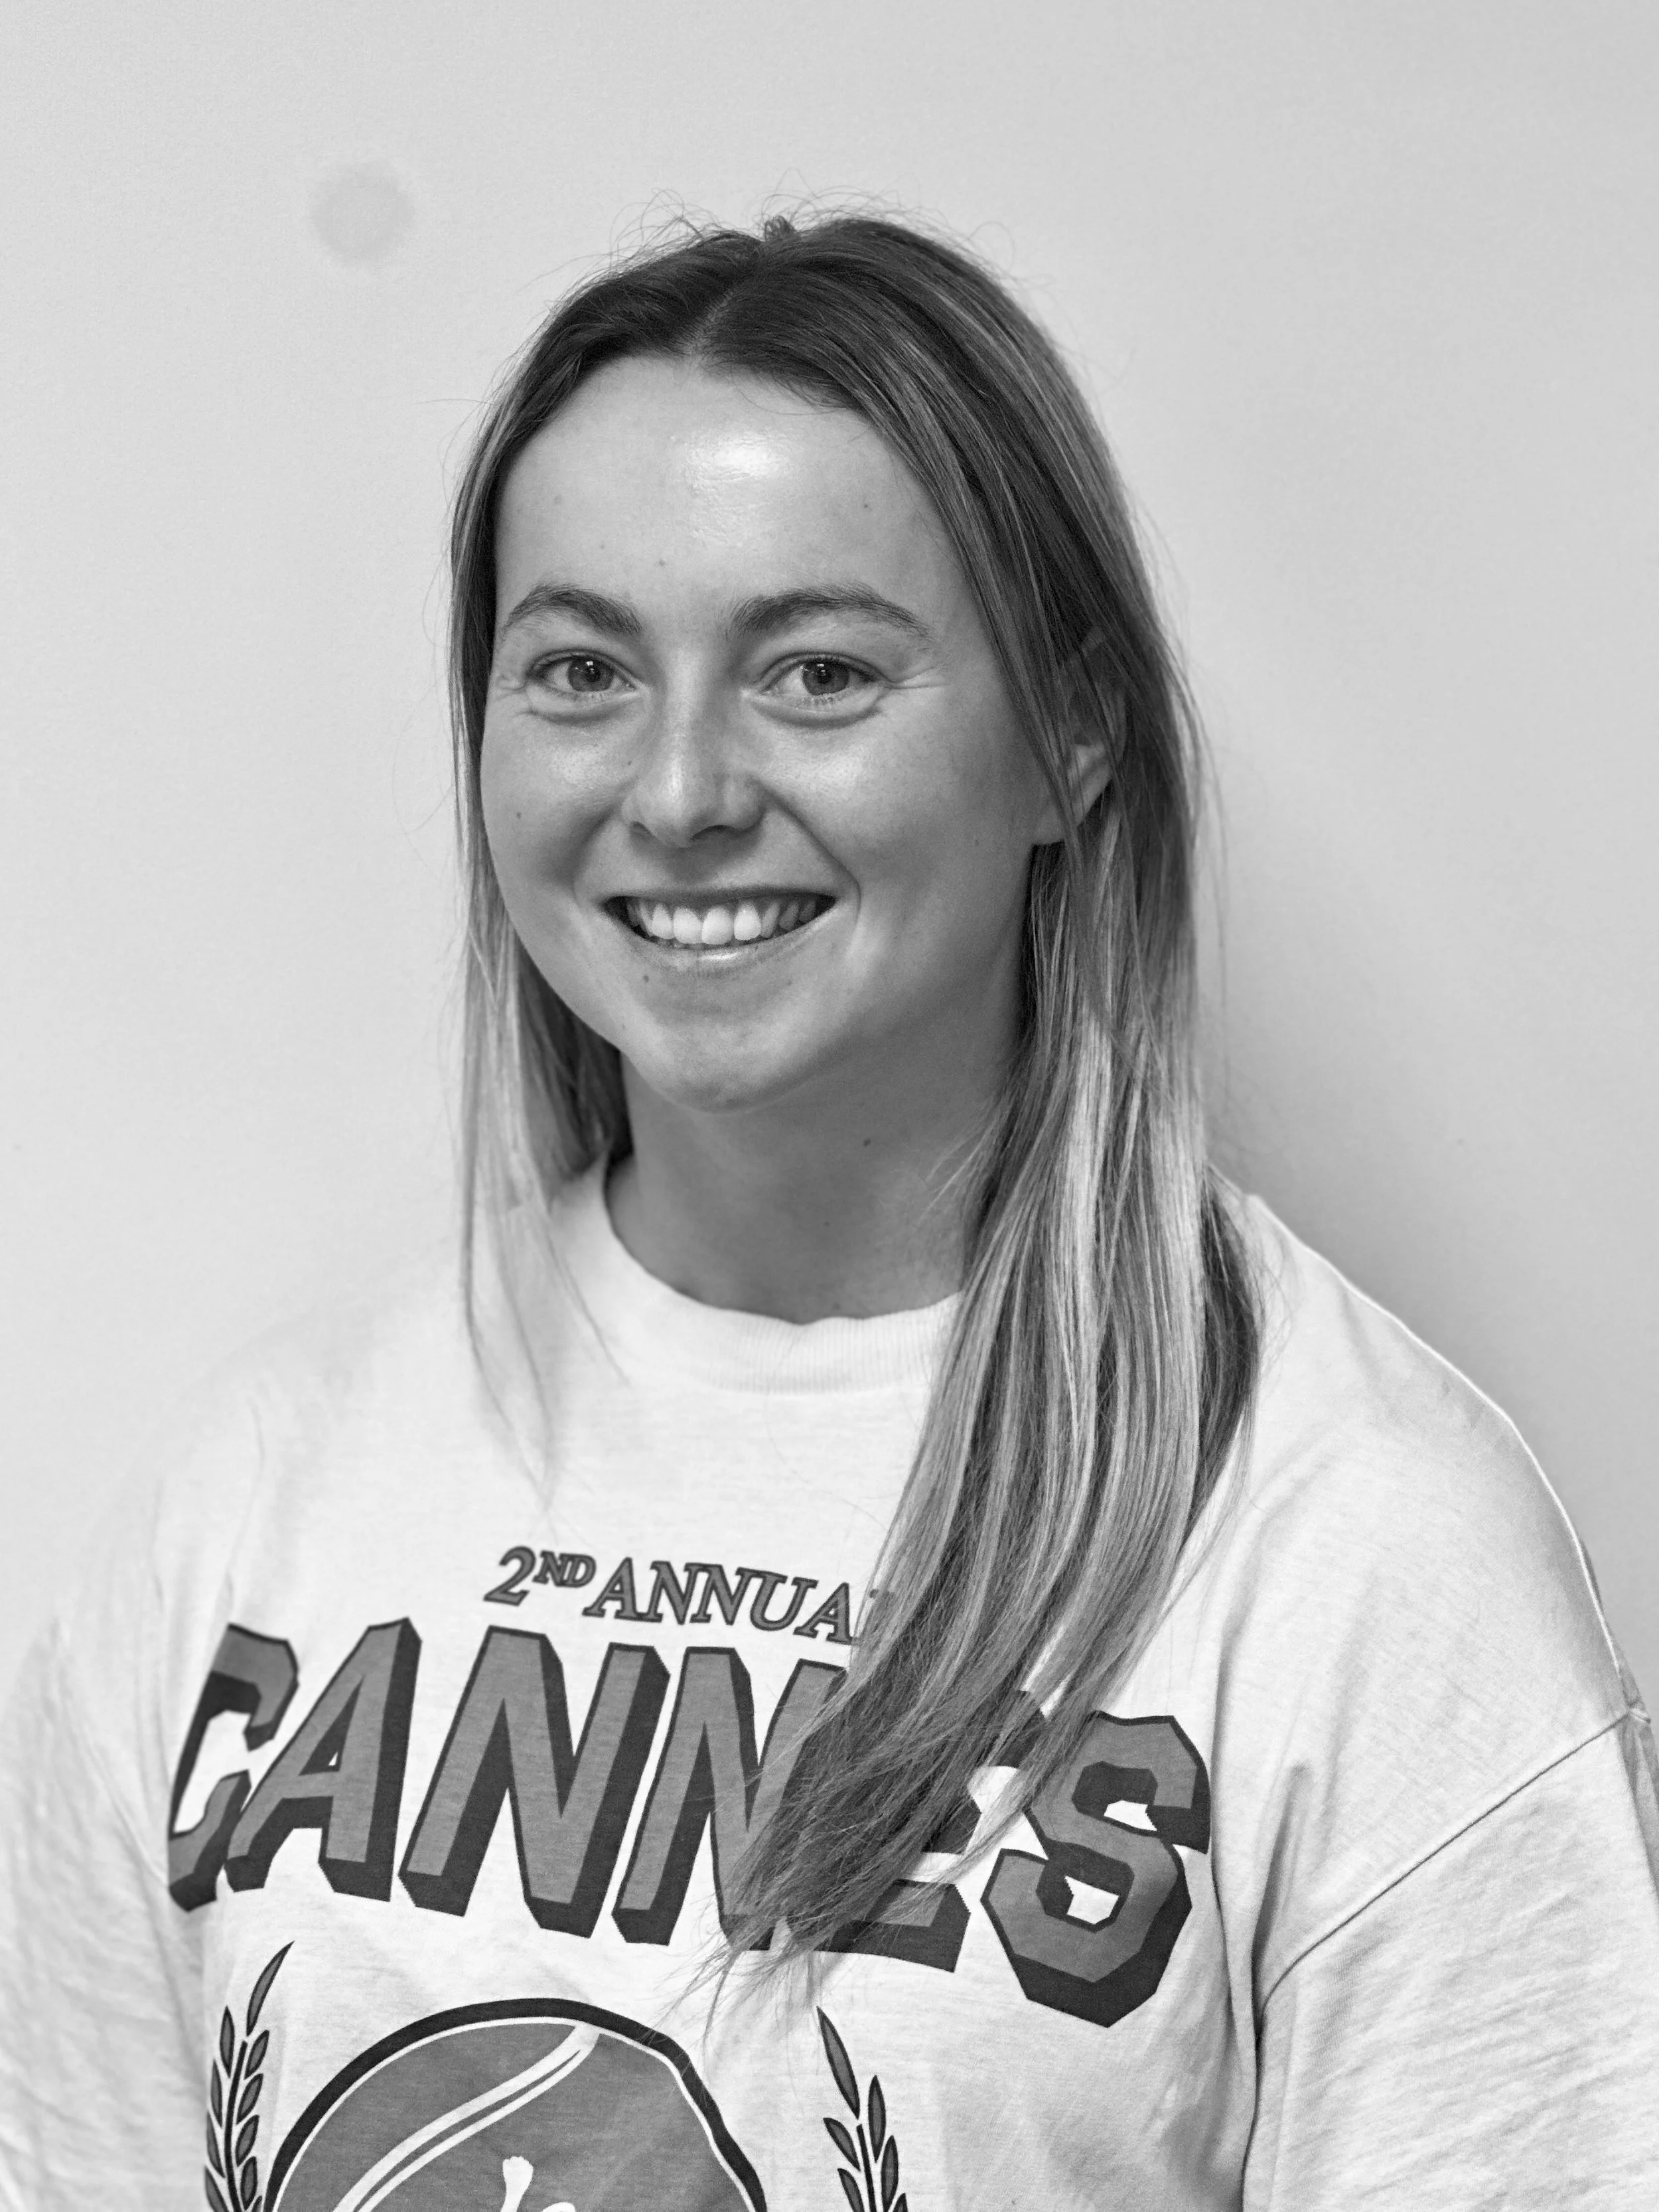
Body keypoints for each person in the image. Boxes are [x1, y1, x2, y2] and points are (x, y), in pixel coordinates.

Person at [0, 210, 1654, 2212]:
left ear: (1072, 733)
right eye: (583, 669)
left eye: (816, 672)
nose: (681, 790)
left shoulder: (1364, 1549)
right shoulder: (250, 1504)